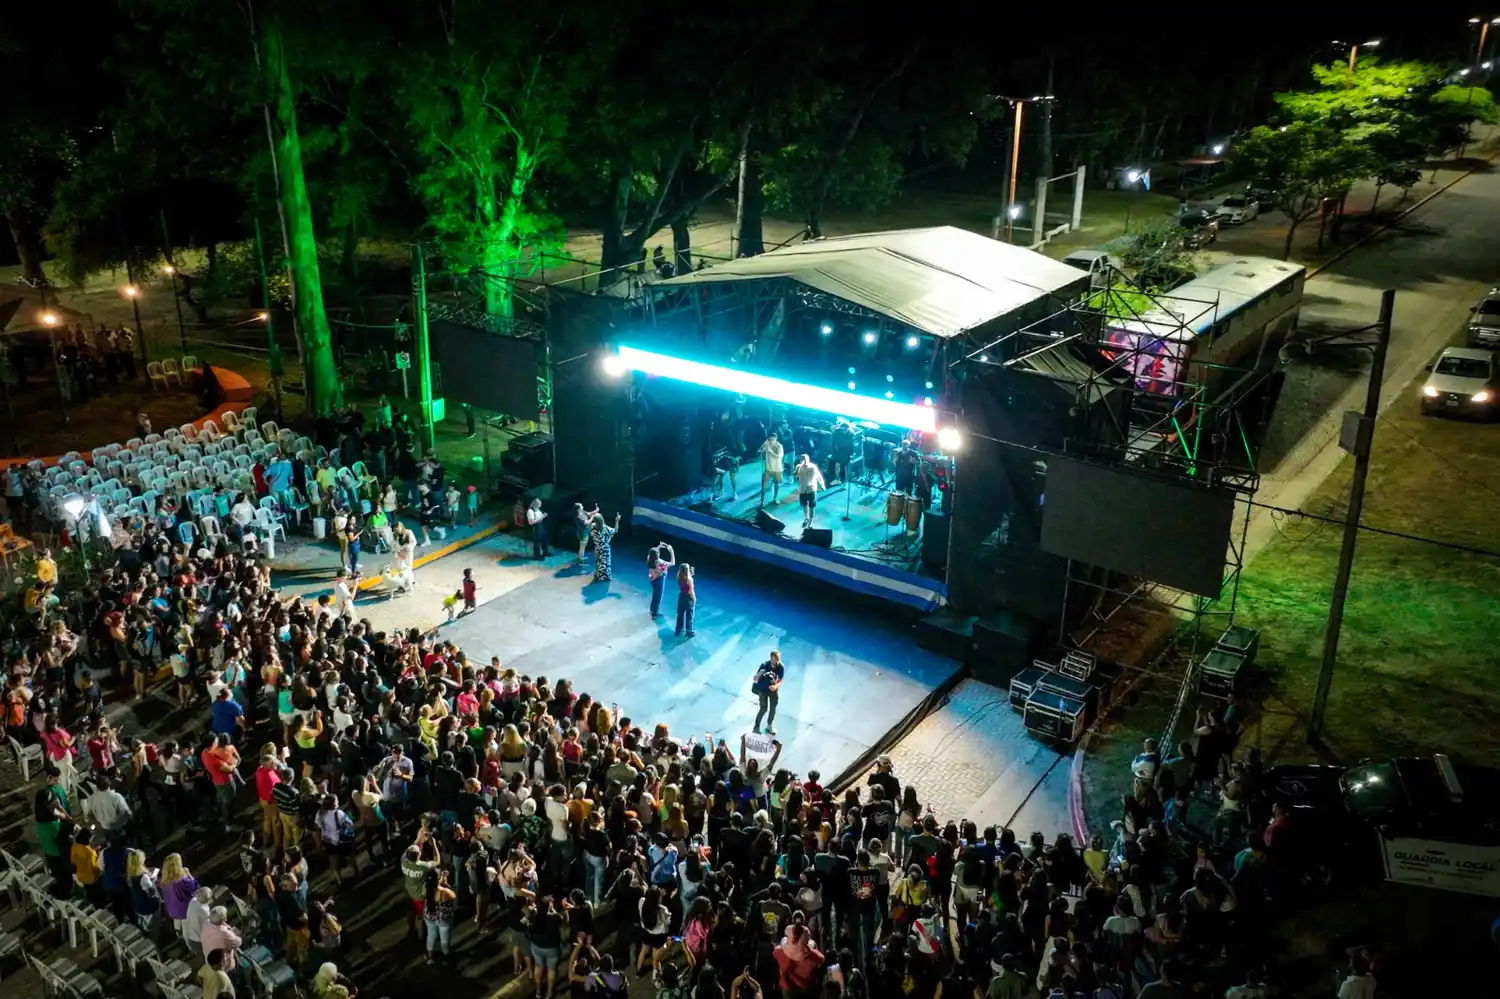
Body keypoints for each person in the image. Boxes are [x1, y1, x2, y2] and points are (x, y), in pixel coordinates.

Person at [752, 651, 784, 735]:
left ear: (778, 659)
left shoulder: (781, 667)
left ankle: (769, 725)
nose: (773, 662)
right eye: (772, 659)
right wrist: (759, 674)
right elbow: (755, 679)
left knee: (773, 708)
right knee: (763, 708)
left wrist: (775, 686)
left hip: (773, 690)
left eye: (775, 660)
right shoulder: (764, 665)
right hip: (763, 690)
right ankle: (756, 727)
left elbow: (780, 680)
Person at [793, 454, 825, 529]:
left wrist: (822, 484)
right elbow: (795, 475)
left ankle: (811, 520)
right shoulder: (799, 467)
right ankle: (806, 517)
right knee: (804, 504)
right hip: (802, 489)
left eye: (805, 459)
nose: (803, 460)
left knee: (811, 505)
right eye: (802, 459)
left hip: (811, 489)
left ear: (808, 459)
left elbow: (819, 476)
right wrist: (797, 469)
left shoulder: (813, 467)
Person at [646, 543, 675, 619]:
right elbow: (672, 563)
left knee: (654, 594)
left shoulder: (649, 558)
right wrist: (671, 551)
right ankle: (655, 613)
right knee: (658, 596)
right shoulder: (661, 564)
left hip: (652, 578)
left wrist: (658, 547)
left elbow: (652, 553)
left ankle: (652, 609)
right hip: (659, 580)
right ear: (657, 555)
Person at [589, 513, 619, 583]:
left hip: (597, 548)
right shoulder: (605, 528)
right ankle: (606, 576)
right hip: (605, 548)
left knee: (598, 561)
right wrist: (617, 521)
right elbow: (615, 530)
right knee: (606, 563)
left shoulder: (593, 528)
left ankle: (598, 575)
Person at [758, 433, 785, 503]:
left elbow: (779, 457)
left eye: (773, 439)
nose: (771, 441)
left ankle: (775, 498)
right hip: (768, 468)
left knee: (777, 484)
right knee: (763, 483)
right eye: (770, 439)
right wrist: (764, 443)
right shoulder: (767, 445)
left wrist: (770, 451)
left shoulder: (779, 446)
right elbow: (759, 450)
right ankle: (762, 500)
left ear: (776, 439)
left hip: (777, 469)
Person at [674, 564, 696, 639]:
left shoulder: (678, 577)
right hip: (688, 598)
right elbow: (691, 591)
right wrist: (694, 598)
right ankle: (689, 631)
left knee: (680, 613)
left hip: (681, 596)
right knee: (689, 615)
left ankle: (678, 629)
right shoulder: (689, 580)